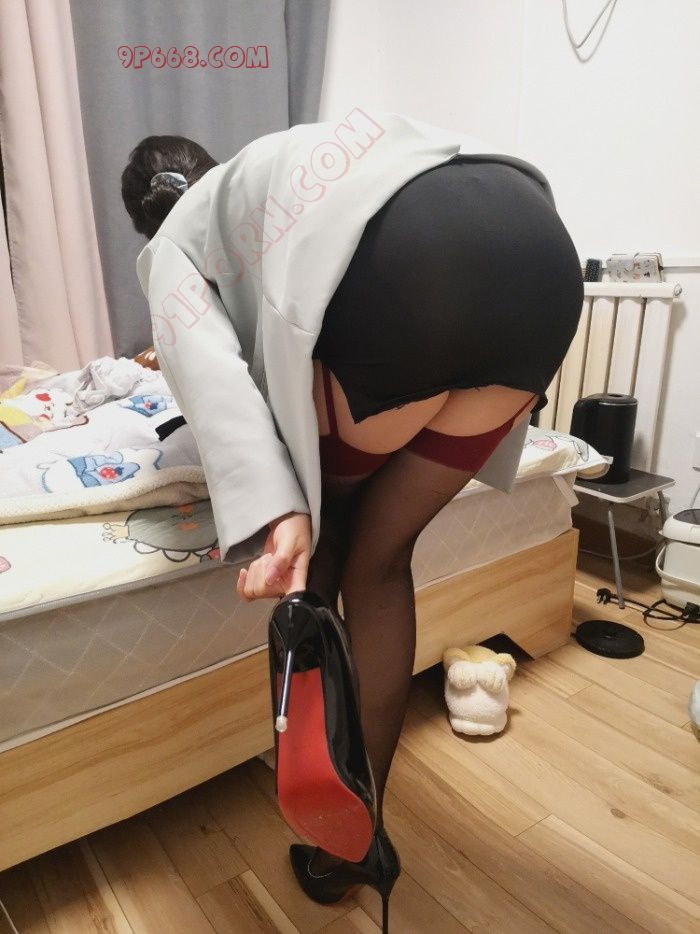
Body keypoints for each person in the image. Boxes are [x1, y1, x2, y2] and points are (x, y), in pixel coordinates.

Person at [123, 111, 583, 923]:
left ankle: (345, 842)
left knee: (333, 548)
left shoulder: (172, 245)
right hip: (541, 257)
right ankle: (358, 832)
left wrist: (281, 510)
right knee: (385, 552)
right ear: (210, 163)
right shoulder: (277, 169)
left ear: (145, 221)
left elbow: (208, 369)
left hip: (411, 281)